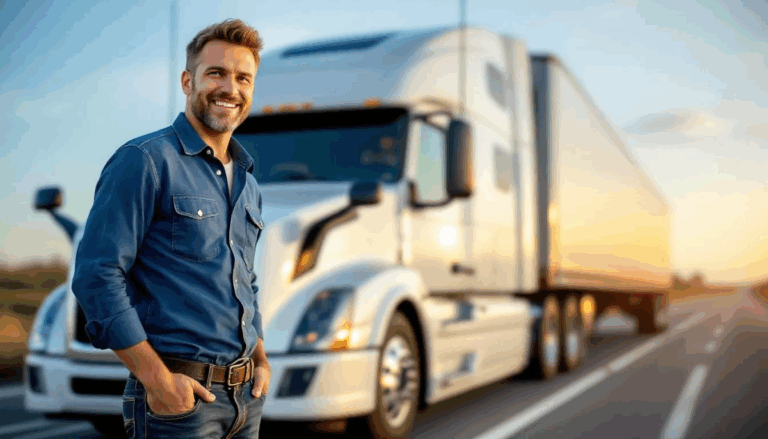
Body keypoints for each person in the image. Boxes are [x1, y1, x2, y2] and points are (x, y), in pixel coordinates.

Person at [71, 18, 269, 439]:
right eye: (215, 73)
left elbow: (245, 281)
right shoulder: (144, 160)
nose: (230, 89)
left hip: (246, 401)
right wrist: (158, 382)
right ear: (187, 80)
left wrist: (262, 359)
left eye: (243, 78)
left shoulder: (249, 182)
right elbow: (96, 276)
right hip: (180, 403)